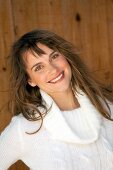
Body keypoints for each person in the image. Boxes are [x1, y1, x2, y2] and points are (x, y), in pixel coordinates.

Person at [0, 29, 113, 170]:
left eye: (54, 56)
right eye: (39, 67)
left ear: (65, 56)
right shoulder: (25, 127)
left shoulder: (107, 108)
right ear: (30, 80)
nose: (53, 69)